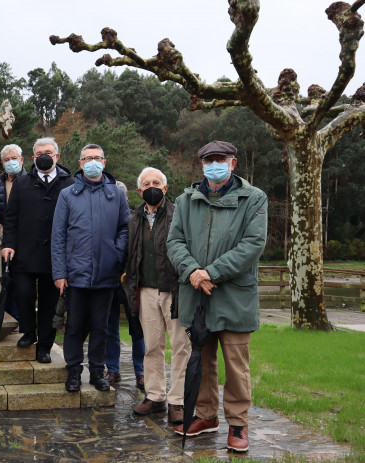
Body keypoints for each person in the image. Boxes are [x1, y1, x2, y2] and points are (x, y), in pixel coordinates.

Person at [168, 141, 267, 452]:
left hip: (234, 297)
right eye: (209, 160)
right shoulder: (186, 199)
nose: (214, 164)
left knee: (236, 365)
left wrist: (210, 272)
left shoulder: (253, 198)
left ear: (232, 163)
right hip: (196, 295)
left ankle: (238, 424)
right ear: (201, 165)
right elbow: (175, 241)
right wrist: (193, 272)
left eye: (220, 159)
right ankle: (206, 416)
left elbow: (252, 245)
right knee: (201, 360)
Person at [51, 144, 129, 391]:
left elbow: (125, 228)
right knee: (74, 326)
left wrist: (115, 254)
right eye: (88, 158)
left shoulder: (117, 195)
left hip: (107, 274)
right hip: (75, 274)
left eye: (97, 158)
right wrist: (60, 273)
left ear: (104, 162)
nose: (93, 162)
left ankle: (98, 372)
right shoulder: (68, 194)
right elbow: (58, 236)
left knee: (101, 327)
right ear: (81, 162)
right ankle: (73, 371)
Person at [123, 168, 191, 424]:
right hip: (145, 290)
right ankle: (155, 396)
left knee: (181, 346)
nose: (152, 187)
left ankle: (178, 401)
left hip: (175, 289)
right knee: (152, 346)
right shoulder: (133, 218)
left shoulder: (178, 215)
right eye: (146, 183)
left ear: (166, 187)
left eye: (156, 182)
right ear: (139, 191)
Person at [1, 137, 73, 363]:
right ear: (33, 158)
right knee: (23, 294)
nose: (44, 156)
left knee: (50, 305)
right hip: (24, 252)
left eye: (49, 152)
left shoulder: (69, 184)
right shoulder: (21, 183)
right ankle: (29, 331)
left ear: (57, 156)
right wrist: (8, 244)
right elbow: (10, 218)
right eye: (40, 153)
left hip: (55, 256)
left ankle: (44, 346)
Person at [106, 180, 146, 391]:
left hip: (132, 281)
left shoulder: (137, 219)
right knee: (109, 326)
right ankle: (113, 369)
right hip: (109, 279)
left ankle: (141, 372)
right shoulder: (104, 219)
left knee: (136, 327)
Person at [0, 144, 26, 322]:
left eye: (14, 158)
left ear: (21, 160)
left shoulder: (31, 180)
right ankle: (5, 321)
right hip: (4, 242)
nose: (11, 162)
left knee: (23, 287)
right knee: (6, 284)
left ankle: (21, 323)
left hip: (25, 242)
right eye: (7, 160)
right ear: (2, 163)